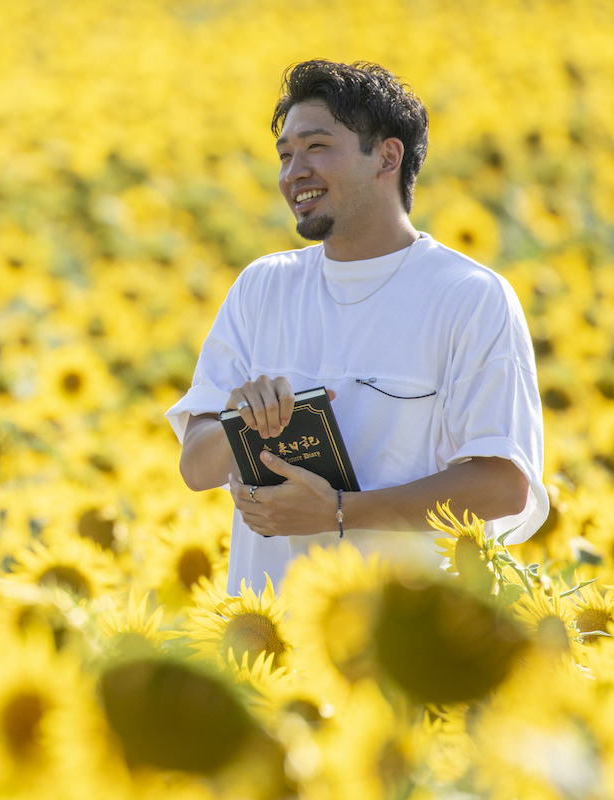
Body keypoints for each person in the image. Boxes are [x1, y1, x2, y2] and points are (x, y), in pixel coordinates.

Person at [166, 61, 548, 594]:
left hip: (404, 645)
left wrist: (341, 512)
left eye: (316, 147)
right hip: (267, 641)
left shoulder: (470, 297)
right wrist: (241, 419)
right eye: (285, 155)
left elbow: (504, 487)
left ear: (387, 157)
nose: (293, 171)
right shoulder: (262, 287)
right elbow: (196, 467)